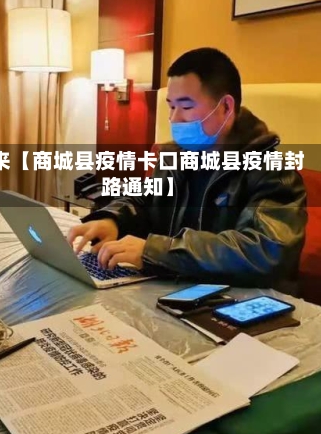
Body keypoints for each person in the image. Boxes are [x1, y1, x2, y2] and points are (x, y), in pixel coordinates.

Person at [68, 48, 307, 292]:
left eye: (186, 107)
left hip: (236, 301)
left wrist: (155, 252)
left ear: (226, 107)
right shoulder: (175, 156)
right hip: (172, 289)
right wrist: (113, 220)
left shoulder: (273, 172)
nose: (174, 118)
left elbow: (265, 251)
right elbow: (144, 201)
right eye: (171, 106)